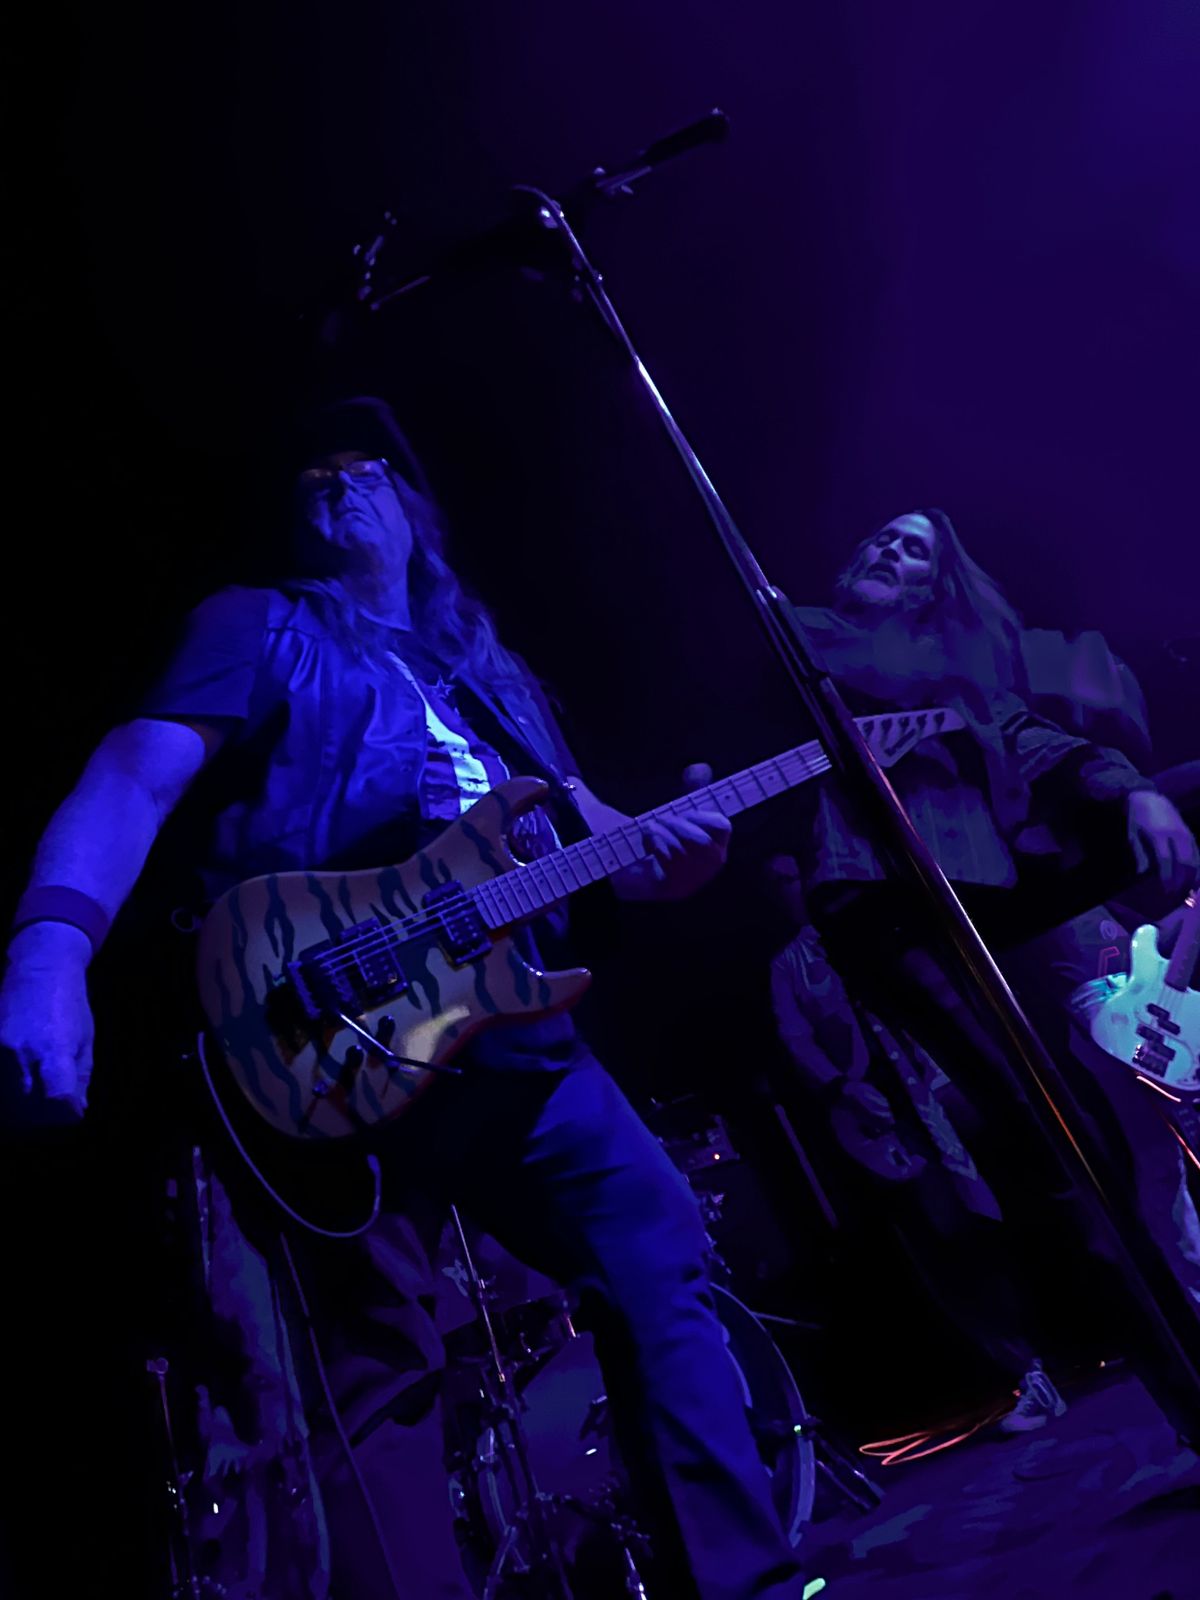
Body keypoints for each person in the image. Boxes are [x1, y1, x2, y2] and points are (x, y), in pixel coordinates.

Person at [0, 396, 812, 1600]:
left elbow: (609, 848)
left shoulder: (491, 677)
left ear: (415, 510)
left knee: (661, 1259)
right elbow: (131, 778)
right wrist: (48, 957)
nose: (340, 478)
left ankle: (744, 1585)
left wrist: (675, 858)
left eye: (367, 465)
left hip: (520, 1037)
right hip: (332, 1031)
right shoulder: (260, 624)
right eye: (315, 471)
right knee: (379, 1368)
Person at [763, 851, 1068, 1436]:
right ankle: (1026, 1368)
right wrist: (841, 1087)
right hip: (886, 1115)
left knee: (1020, 1196)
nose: (790, 887)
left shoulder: (878, 926)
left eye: (793, 874)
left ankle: (1080, 1329)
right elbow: (794, 1038)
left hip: (943, 1085)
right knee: (952, 1237)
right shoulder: (790, 966)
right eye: (775, 883)